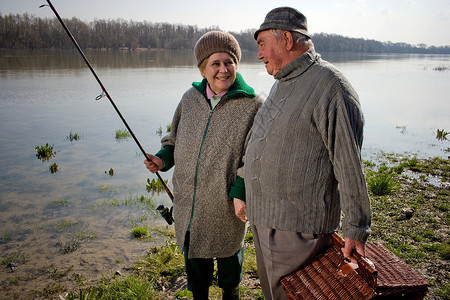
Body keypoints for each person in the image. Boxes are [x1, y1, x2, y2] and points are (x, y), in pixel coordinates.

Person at [244, 7, 372, 300]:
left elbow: (348, 162)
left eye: (262, 45)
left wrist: (356, 226)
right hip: (265, 223)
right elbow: (260, 141)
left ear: (287, 40)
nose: (259, 54)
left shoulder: (331, 86)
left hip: (299, 234)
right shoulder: (283, 83)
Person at [144, 31, 263, 300]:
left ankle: (230, 294)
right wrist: (162, 159)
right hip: (189, 203)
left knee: (230, 263)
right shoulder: (189, 98)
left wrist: (241, 192)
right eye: (215, 63)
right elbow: (173, 140)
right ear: (202, 68)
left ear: (237, 65)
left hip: (227, 204)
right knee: (195, 265)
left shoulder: (253, 105)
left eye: (229, 62)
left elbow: (254, 158)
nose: (223, 69)